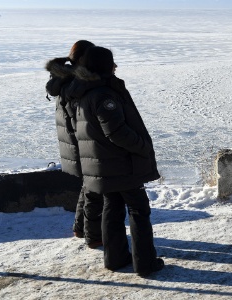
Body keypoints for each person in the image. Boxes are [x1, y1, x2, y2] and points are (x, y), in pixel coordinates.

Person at [65, 46, 164, 276]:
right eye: (112, 62)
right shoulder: (103, 94)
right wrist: (142, 146)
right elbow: (116, 132)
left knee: (112, 207)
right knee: (139, 210)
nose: (115, 65)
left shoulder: (83, 92)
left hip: (103, 165)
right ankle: (146, 263)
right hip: (121, 165)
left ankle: (116, 259)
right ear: (104, 66)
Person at [45, 40, 103, 248]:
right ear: (81, 58)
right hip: (82, 141)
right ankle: (93, 235)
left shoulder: (62, 79)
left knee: (89, 185)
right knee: (95, 189)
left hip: (72, 140)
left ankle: (80, 228)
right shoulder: (77, 82)